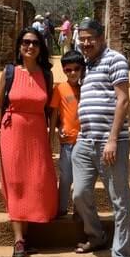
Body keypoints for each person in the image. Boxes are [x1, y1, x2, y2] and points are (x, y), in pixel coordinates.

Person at [0, 27, 58, 257]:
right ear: (19, 46)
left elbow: (51, 110)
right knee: (16, 183)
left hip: (37, 134)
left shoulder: (46, 76)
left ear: (41, 48)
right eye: (26, 42)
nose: (30, 46)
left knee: (36, 182)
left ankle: (24, 240)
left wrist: (51, 138)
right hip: (12, 132)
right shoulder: (9, 73)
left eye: (35, 43)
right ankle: (18, 241)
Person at [72, 17, 130, 257]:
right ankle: (96, 236)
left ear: (101, 37)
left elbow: (123, 100)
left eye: (90, 39)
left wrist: (112, 139)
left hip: (111, 143)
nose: (86, 43)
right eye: (82, 39)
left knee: (119, 200)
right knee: (79, 194)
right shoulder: (87, 64)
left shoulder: (115, 59)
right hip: (85, 141)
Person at [48, 50, 84, 217]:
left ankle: (79, 209)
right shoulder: (60, 89)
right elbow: (54, 115)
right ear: (63, 71)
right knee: (65, 178)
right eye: (68, 70)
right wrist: (52, 138)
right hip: (67, 142)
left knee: (81, 179)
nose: (73, 73)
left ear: (82, 69)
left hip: (84, 141)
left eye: (76, 69)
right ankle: (61, 208)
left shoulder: (87, 88)